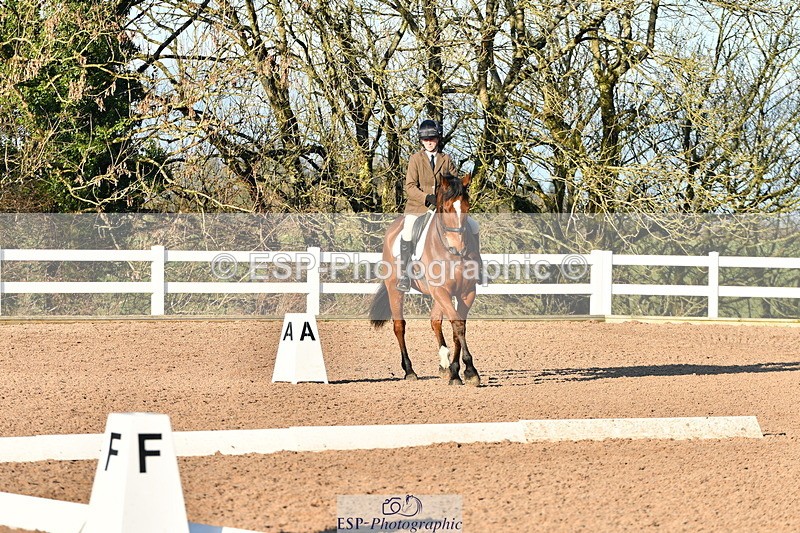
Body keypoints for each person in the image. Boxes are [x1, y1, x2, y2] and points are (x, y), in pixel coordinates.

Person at [397, 119, 483, 292]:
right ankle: (404, 274)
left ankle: (478, 267)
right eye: (426, 139)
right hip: (419, 208)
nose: (429, 142)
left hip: (444, 208)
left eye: (433, 139)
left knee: (474, 226)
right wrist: (426, 197)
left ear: (438, 139)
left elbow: (454, 183)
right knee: (407, 230)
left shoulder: (446, 159)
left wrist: (451, 196)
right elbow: (410, 186)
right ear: (421, 141)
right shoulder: (415, 159)